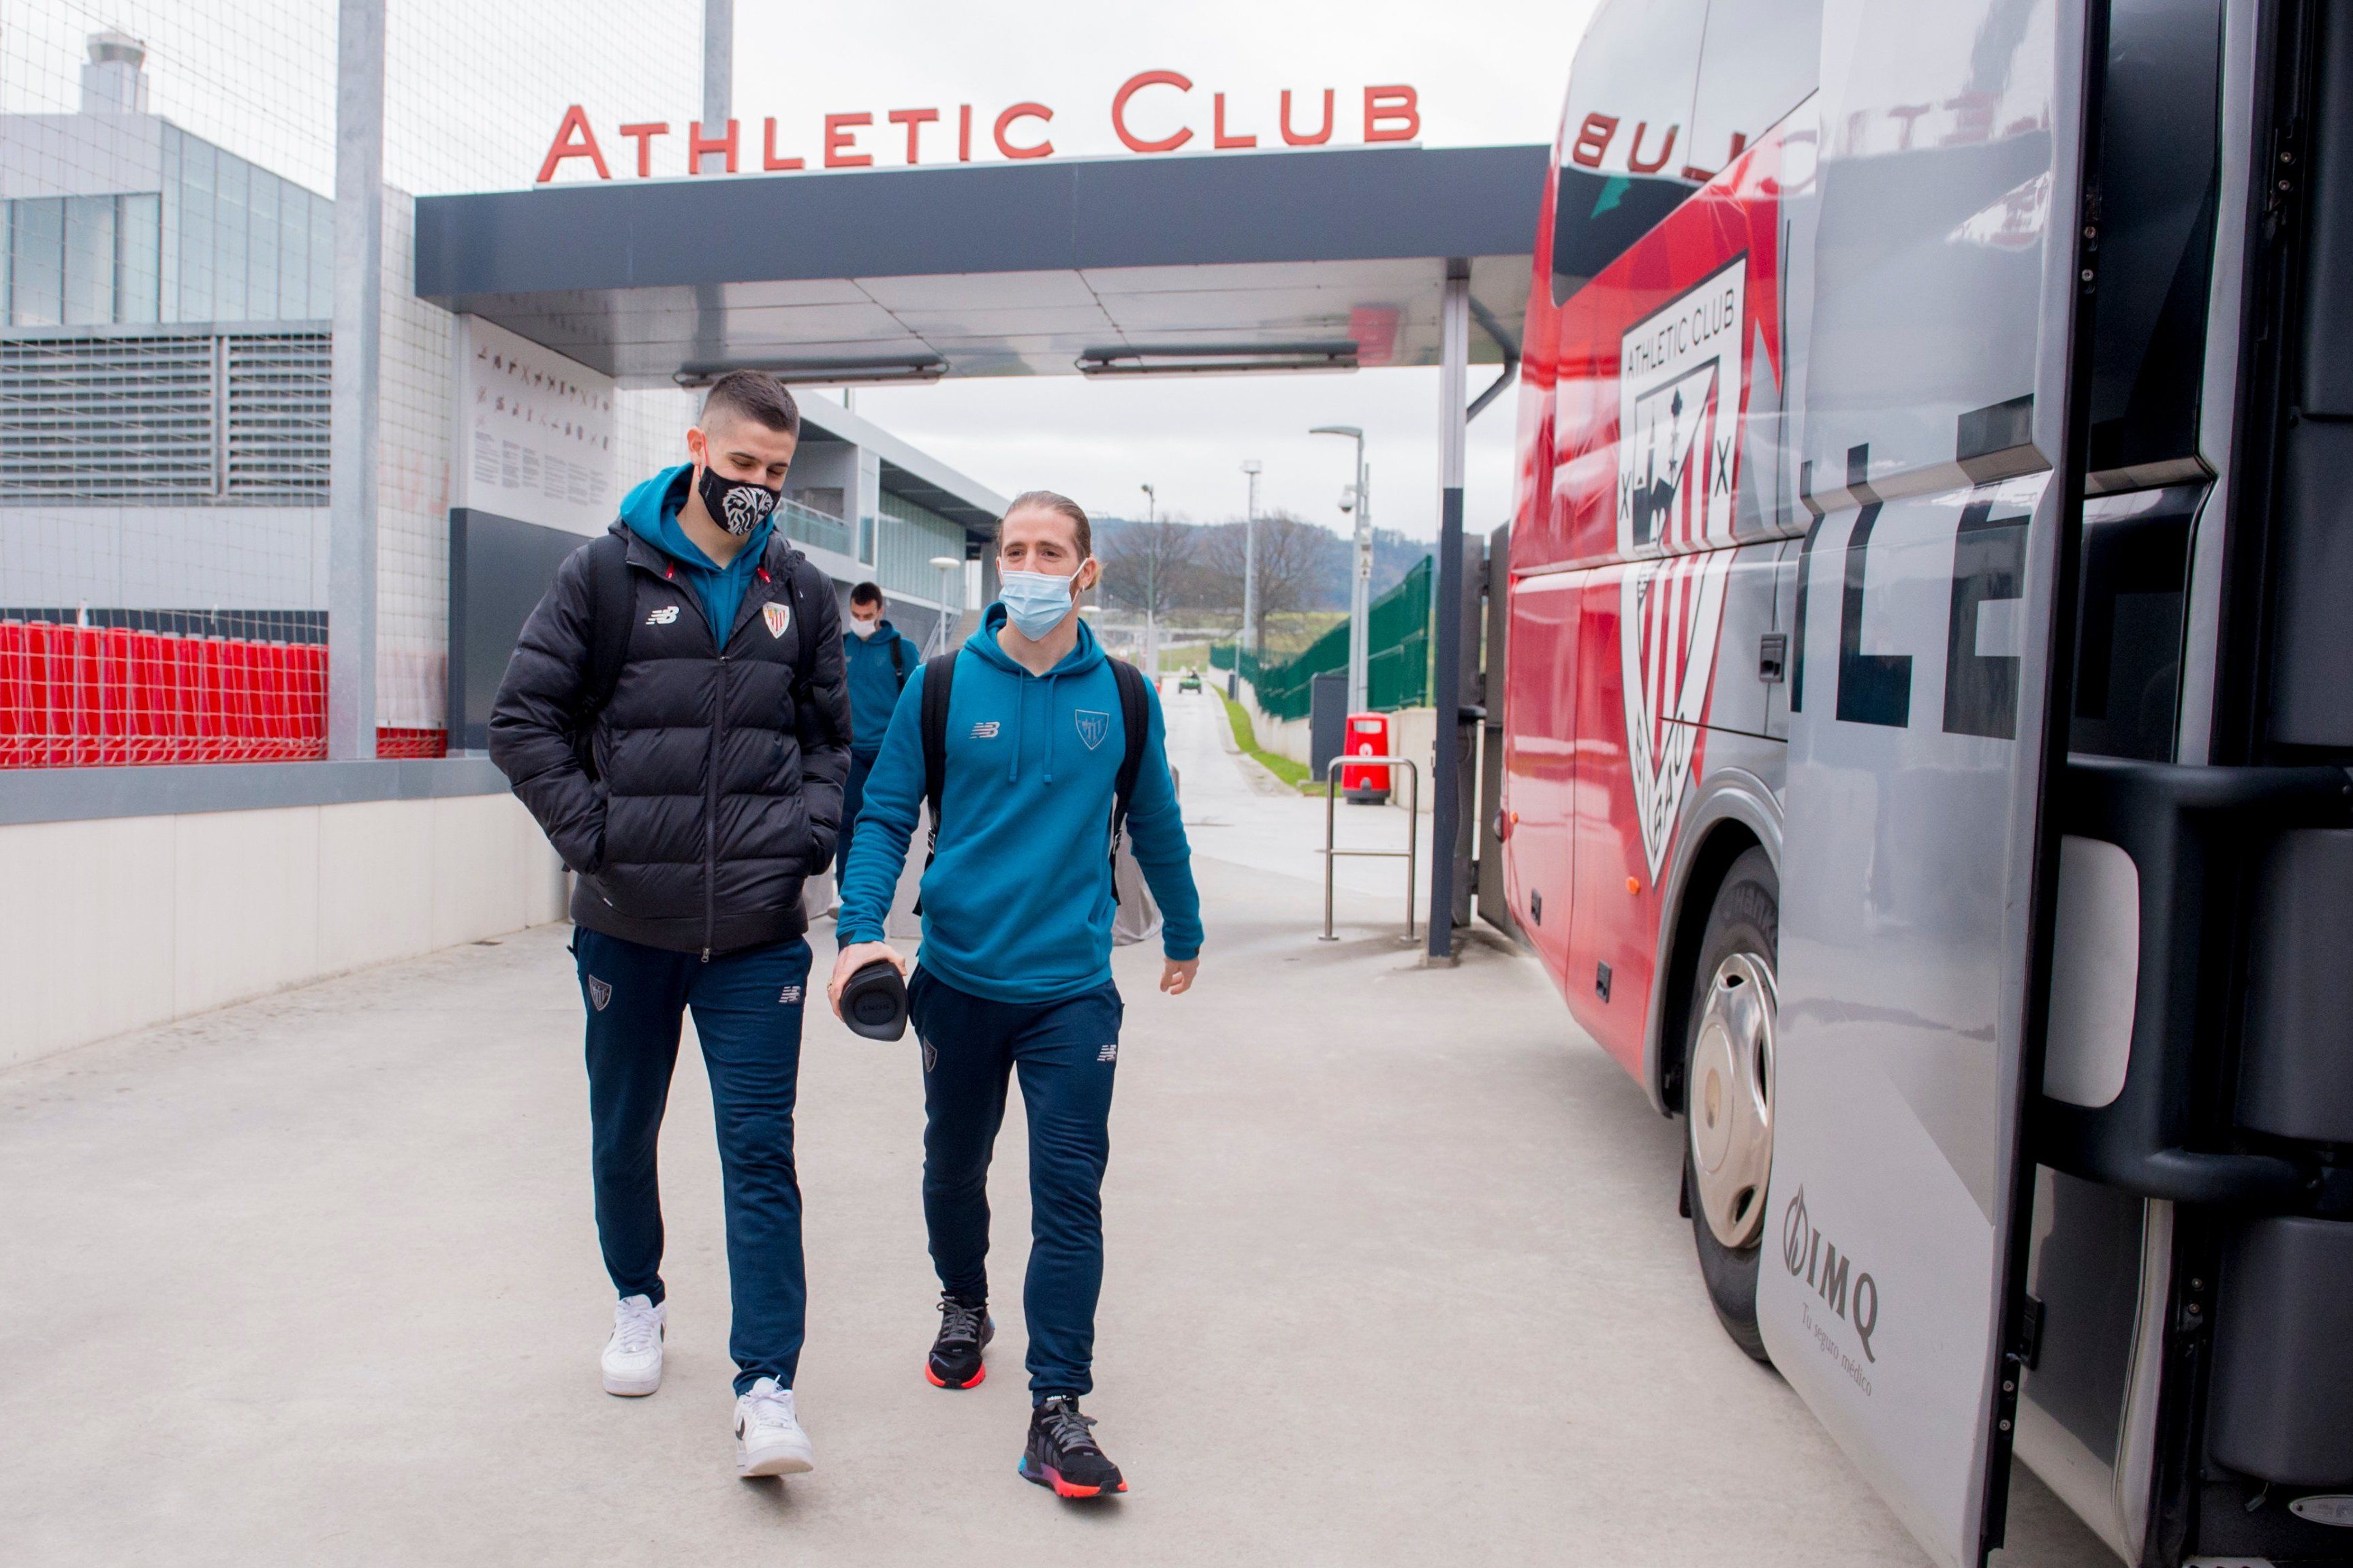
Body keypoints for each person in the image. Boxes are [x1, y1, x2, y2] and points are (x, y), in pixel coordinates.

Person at [488, 370, 849, 1480]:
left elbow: (835, 740)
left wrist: (803, 839)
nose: (756, 488)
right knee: (623, 1132)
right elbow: (522, 717)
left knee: (758, 1151)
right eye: (741, 464)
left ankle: (768, 1385)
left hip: (755, 933)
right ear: (697, 445)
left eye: (776, 474)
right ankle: (636, 1300)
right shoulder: (603, 575)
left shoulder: (801, 588)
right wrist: (595, 837)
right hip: (626, 926)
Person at [828, 490, 1202, 1501]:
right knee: (953, 1169)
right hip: (957, 979)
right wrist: (861, 927)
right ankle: (964, 1300)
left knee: (1069, 1191)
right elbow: (883, 816)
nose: (1027, 567)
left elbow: (1155, 819)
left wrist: (1188, 925)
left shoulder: (1121, 694)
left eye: (1049, 552)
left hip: (1071, 990)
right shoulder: (944, 684)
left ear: (1085, 572)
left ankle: (1058, 1407)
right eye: (1013, 550)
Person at [837, 581, 918, 882]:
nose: (860, 621)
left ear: (880, 611)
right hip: (852, 752)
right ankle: (847, 893)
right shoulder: (841, 646)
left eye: (866, 615)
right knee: (846, 823)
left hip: (888, 751)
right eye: (855, 615)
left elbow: (916, 702)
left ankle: (884, 889)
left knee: (886, 823)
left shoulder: (902, 650)